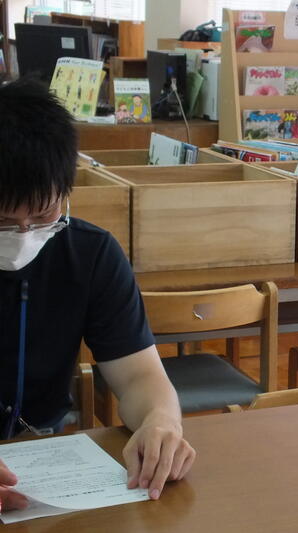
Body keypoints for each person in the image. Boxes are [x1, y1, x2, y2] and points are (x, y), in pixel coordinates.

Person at [0, 78, 195, 511]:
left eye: (44, 213)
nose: (24, 234)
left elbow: (139, 375)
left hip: (41, 455)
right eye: (4, 222)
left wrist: (160, 420)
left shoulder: (91, 254)